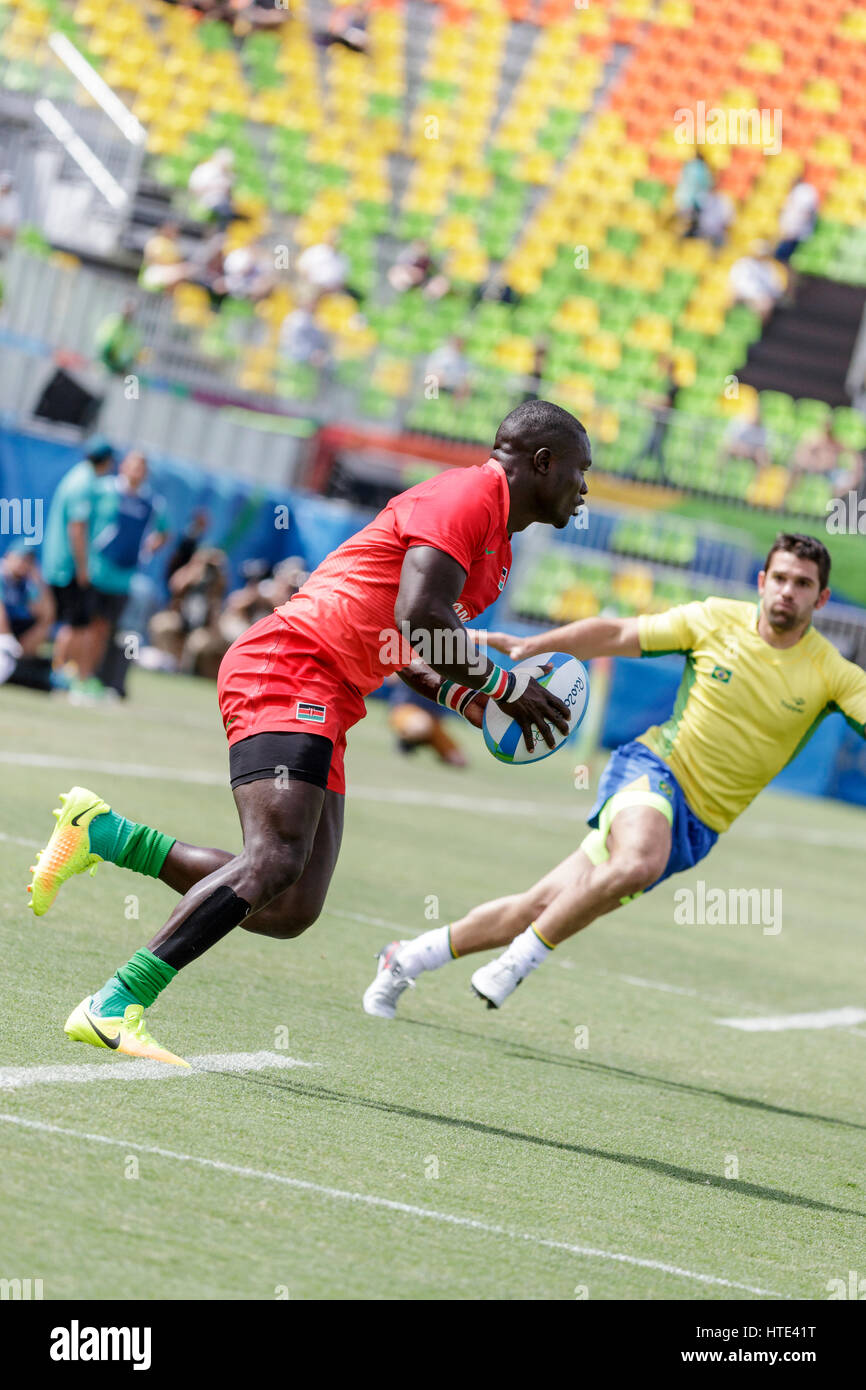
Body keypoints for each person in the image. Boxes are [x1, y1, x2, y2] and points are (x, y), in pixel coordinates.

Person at [29, 400, 591, 1064]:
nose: (584, 491)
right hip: (292, 663)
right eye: (580, 473)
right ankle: (114, 1004)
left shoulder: (495, 541)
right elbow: (420, 615)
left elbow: (401, 641)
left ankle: (106, 835)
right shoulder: (470, 494)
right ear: (542, 463)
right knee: (274, 859)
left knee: (291, 904)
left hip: (332, 687)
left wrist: (463, 700)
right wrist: (501, 685)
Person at [363, 533, 866, 1017]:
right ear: (761, 581)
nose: (787, 591)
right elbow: (619, 633)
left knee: (535, 906)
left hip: (701, 824)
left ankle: (407, 957)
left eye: (802, 584)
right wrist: (531, 646)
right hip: (654, 770)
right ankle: (517, 964)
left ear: (820, 599)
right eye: (780, 577)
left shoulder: (832, 673)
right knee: (639, 862)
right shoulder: (715, 619)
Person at [40, 437, 117, 690]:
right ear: (106, 461)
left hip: (62, 562)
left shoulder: (79, 476)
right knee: (77, 624)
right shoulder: (84, 484)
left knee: (69, 621)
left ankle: (60, 674)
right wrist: (83, 567)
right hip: (69, 565)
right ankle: (60, 675)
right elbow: (77, 528)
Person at [89, 451, 169, 696]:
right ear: (123, 466)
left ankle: (103, 680)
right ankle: (71, 673)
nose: (137, 471)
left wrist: (148, 549)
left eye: (142, 467)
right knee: (84, 626)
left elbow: (164, 531)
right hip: (95, 571)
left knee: (112, 631)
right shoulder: (103, 490)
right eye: (133, 466)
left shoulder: (152, 502)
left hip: (124, 579)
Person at [0, 545, 55, 656]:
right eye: (21, 558)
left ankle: (20, 661)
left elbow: (47, 613)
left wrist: (39, 582)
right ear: (9, 557)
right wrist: (7, 638)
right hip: (4, 629)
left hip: (17, 626)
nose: (24, 563)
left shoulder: (28, 581)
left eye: (28, 561)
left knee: (43, 625)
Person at [728, 243, 786, 322]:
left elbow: (774, 285)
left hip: (759, 296)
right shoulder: (743, 264)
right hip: (744, 294)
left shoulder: (769, 266)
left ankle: (760, 327)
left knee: (766, 303)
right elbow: (737, 283)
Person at [188, 148, 236, 227]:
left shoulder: (228, 174)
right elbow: (193, 189)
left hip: (223, 202)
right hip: (205, 201)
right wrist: (214, 187)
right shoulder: (205, 170)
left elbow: (229, 193)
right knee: (225, 212)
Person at [94, 299, 142, 377]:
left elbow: (133, 350)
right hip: (105, 365)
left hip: (120, 369)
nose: (129, 312)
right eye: (128, 308)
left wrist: (124, 366)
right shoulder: (113, 321)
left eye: (132, 310)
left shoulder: (134, 330)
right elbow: (104, 343)